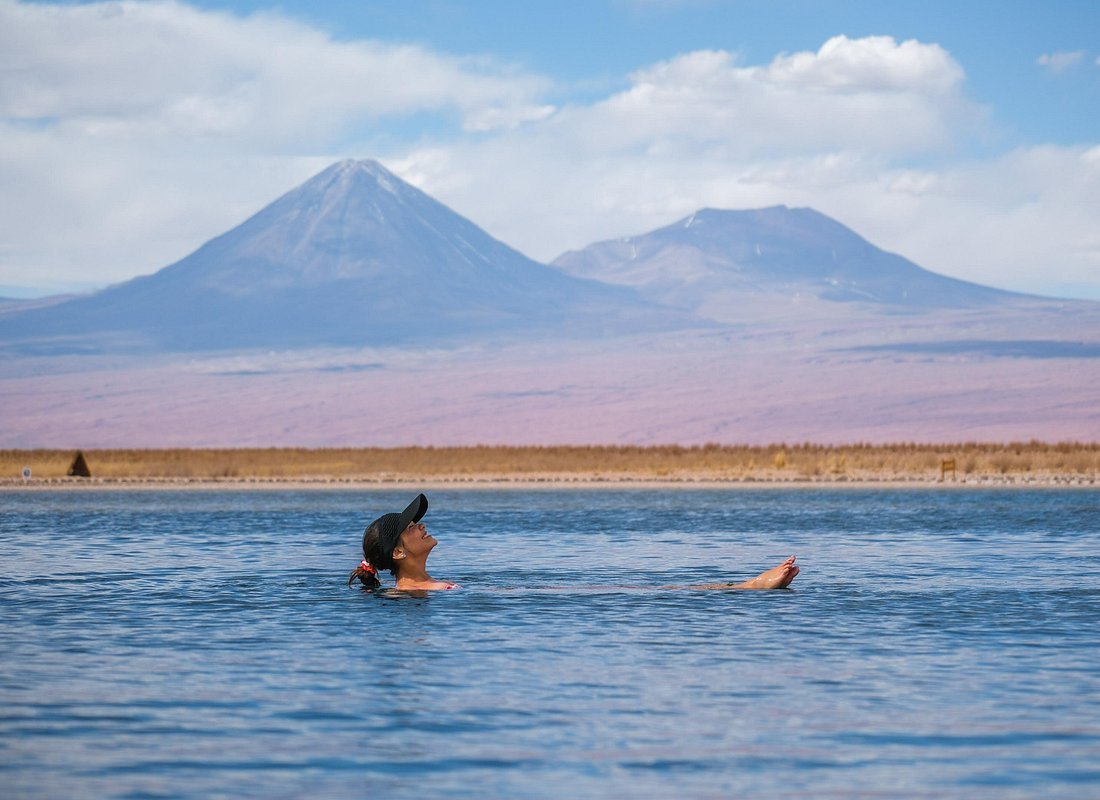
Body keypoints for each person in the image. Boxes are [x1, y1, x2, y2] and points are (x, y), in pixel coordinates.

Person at [348, 493, 800, 591]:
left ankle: (746, 586)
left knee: (645, 591)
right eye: (412, 527)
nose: (422, 526)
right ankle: (748, 587)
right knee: (645, 592)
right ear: (398, 553)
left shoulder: (426, 588)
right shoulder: (438, 590)